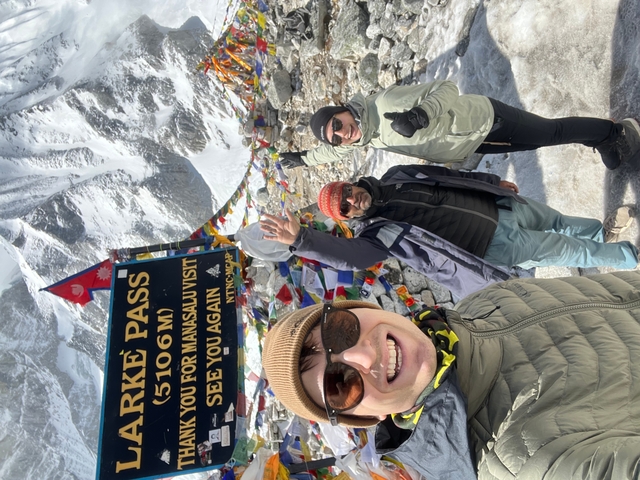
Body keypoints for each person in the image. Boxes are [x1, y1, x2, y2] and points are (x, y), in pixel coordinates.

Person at [261, 270, 640, 479]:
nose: (364, 353)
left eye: (339, 330)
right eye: (340, 384)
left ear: (362, 308)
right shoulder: (526, 463)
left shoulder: (480, 306)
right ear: (365, 418)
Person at [259, 163, 637, 298]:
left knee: (560, 222)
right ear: (344, 218)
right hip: (493, 243)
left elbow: (445, 176)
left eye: (346, 193)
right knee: (566, 250)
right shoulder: (378, 236)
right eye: (343, 207)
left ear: (349, 184)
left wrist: (491, 181)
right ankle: (629, 257)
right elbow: (352, 257)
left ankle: (603, 234)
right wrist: (301, 240)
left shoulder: (395, 177)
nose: (351, 201)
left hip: (499, 206)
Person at [277, 80, 640, 171]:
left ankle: (612, 133)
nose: (342, 133)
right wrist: (304, 159)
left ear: (343, 110)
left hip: (485, 119)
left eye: (337, 124)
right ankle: (599, 136)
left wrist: (420, 115)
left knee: (549, 132)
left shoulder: (383, 104)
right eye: (335, 137)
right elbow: (329, 150)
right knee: (539, 144)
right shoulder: (362, 137)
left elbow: (446, 89)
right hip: (472, 142)